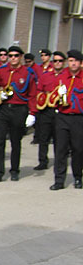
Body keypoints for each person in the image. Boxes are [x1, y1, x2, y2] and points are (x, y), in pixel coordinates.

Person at [0, 45, 37, 183]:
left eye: (16, 56)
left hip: (19, 109)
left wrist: (32, 113)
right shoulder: (1, 71)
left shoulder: (27, 73)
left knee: (15, 141)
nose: (13, 58)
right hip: (2, 109)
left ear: (21, 57)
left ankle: (15, 170)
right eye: (10, 56)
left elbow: (32, 94)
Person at [50, 49, 83, 190]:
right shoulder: (62, 76)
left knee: (78, 149)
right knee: (60, 149)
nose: (73, 63)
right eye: (70, 61)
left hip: (79, 118)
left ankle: (77, 177)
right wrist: (57, 95)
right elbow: (51, 97)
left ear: (81, 63)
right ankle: (59, 180)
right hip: (62, 116)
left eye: (76, 61)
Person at [34, 50, 66, 170]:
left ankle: (59, 161)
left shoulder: (66, 76)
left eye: (60, 61)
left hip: (60, 110)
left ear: (64, 62)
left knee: (59, 139)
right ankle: (42, 161)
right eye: (55, 61)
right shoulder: (45, 75)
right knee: (43, 137)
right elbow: (39, 90)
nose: (57, 63)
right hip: (46, 110)